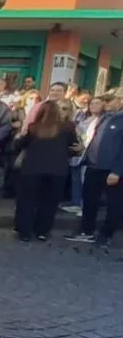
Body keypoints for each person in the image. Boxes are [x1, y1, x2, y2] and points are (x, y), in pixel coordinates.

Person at [13, 101, 80, 242]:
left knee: (27, 201)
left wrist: (19, 138)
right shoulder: (67, 128)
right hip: (57, 170)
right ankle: (42, 231)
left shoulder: (34, 128)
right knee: (49, 202)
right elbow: (74, 148)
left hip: (32, 169)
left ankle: (24, 231)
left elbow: (19, 145)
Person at [65, 90, 123, 248]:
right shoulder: (104, 118)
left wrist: (117, 170)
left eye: (110, 100)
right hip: (93, 165)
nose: (106, 103)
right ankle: (86, 231)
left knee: (114, 204)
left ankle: (106, 235)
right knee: (89, 200)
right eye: (105, 100)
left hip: (112, 170)